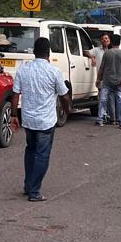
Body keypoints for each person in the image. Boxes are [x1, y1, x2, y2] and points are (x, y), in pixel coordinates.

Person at [10, 37, 70, 201]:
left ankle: (28, 185)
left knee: (30, 150)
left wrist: (14, 115)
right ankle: (34, 192)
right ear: (48, 52)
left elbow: (15, 94)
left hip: (28, 120)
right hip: (46, 121)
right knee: (42, 155)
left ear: (34, 52)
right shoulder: (54, 72)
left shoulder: (23, 70)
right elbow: (64, 96)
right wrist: (67, 110)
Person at [96, 35, 121, 129]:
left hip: (107, 81)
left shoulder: (107, 53)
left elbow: (101, 68)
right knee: (120, 101)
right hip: (119, 82)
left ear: (111, 42)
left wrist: (98, 79)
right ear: (119, 43)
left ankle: (100, 119)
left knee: (103, 100)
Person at [91, 33, 112, 125]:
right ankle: (103, 117)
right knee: (103, 99)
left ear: (109, 40)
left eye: (106, 38)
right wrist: (92, 57)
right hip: (102, 78)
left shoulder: (113, 51)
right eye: (103, 39)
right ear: (101, 41)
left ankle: (108, 117)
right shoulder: (97, 50)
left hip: (111, 79)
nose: (105, 40)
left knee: (110, 99)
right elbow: (86, 51)